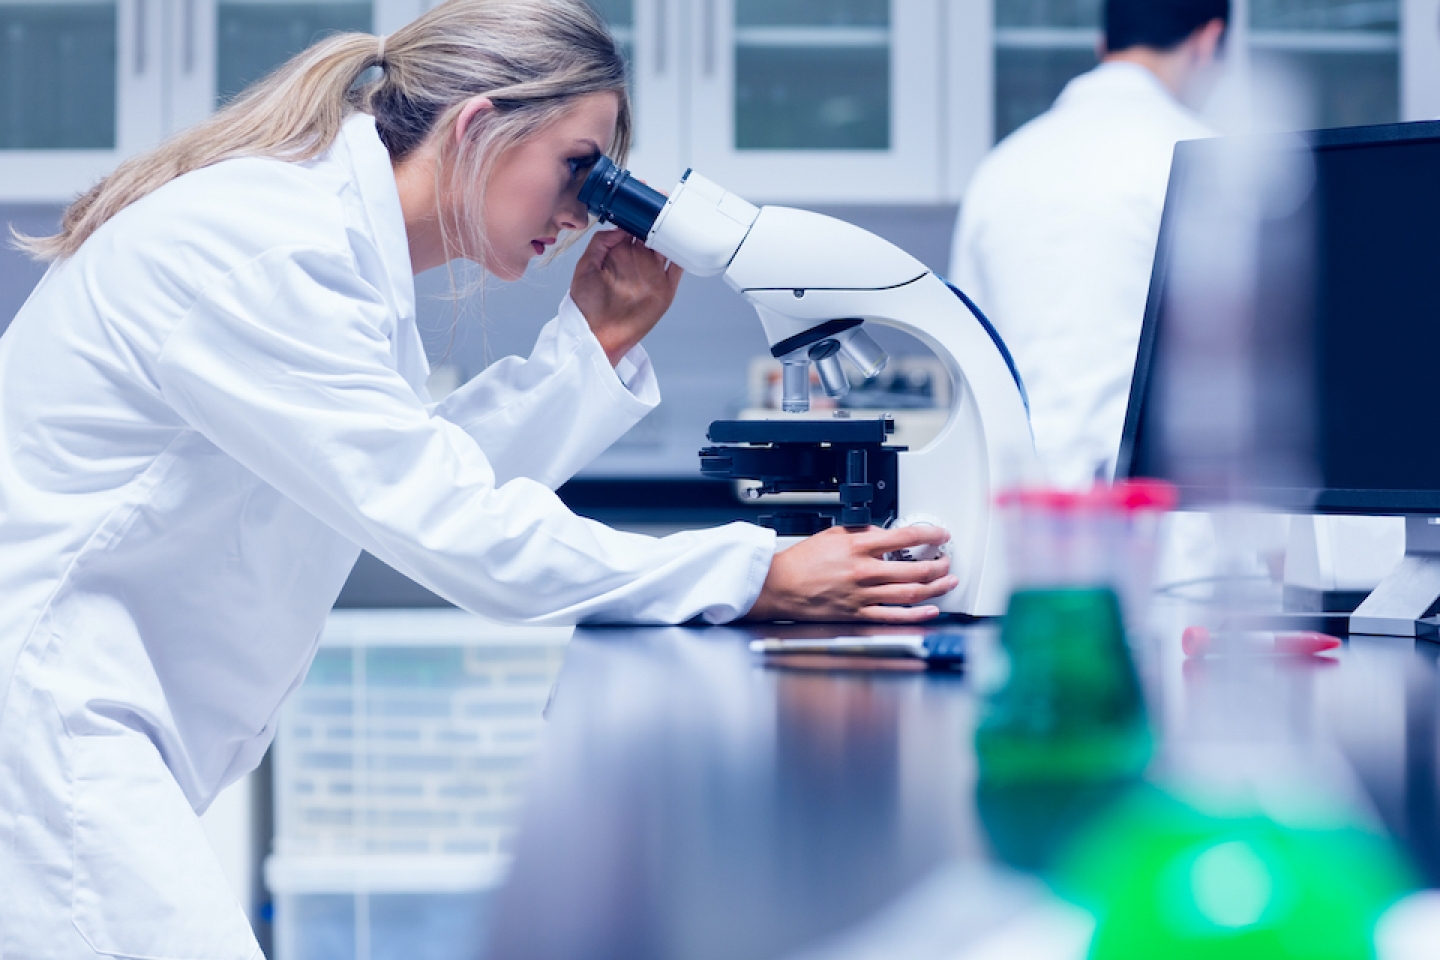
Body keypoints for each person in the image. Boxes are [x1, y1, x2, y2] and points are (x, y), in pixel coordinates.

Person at [0, 2, 955, 956]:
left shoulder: (329, 247)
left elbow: (417, 479)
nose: (584, 211)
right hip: (47, 712)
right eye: (579, 167)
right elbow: (449, 525)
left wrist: (596, 342)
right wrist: (756, 575)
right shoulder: (272, 248)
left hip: (93, 714)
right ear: (477, 128)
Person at [951, 0, 1228, 489]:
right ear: (1208, 40)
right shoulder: (1200, 157)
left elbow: (969, 357)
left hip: (1026, 513)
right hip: (1161, 523)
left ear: (1103, 46)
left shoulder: (1000, 168)